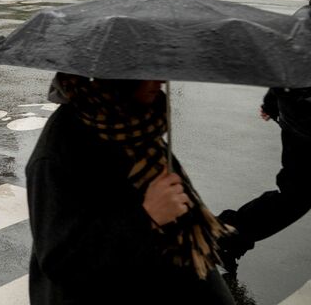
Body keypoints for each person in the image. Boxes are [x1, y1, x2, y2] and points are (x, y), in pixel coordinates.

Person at [27, 74, 234, 302]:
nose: (162, 80)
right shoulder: (59, 151)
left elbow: (184, 235)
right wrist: (146, 217)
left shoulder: (138, 124)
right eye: (149, 71)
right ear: (118, 76)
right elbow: (61, 261)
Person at [217, 80, 311, 274]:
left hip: (299, 116)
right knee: (297, 195)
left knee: (297, 195)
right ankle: (225, 235)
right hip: (303, 121)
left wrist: (273, 100)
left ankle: (227, 235)